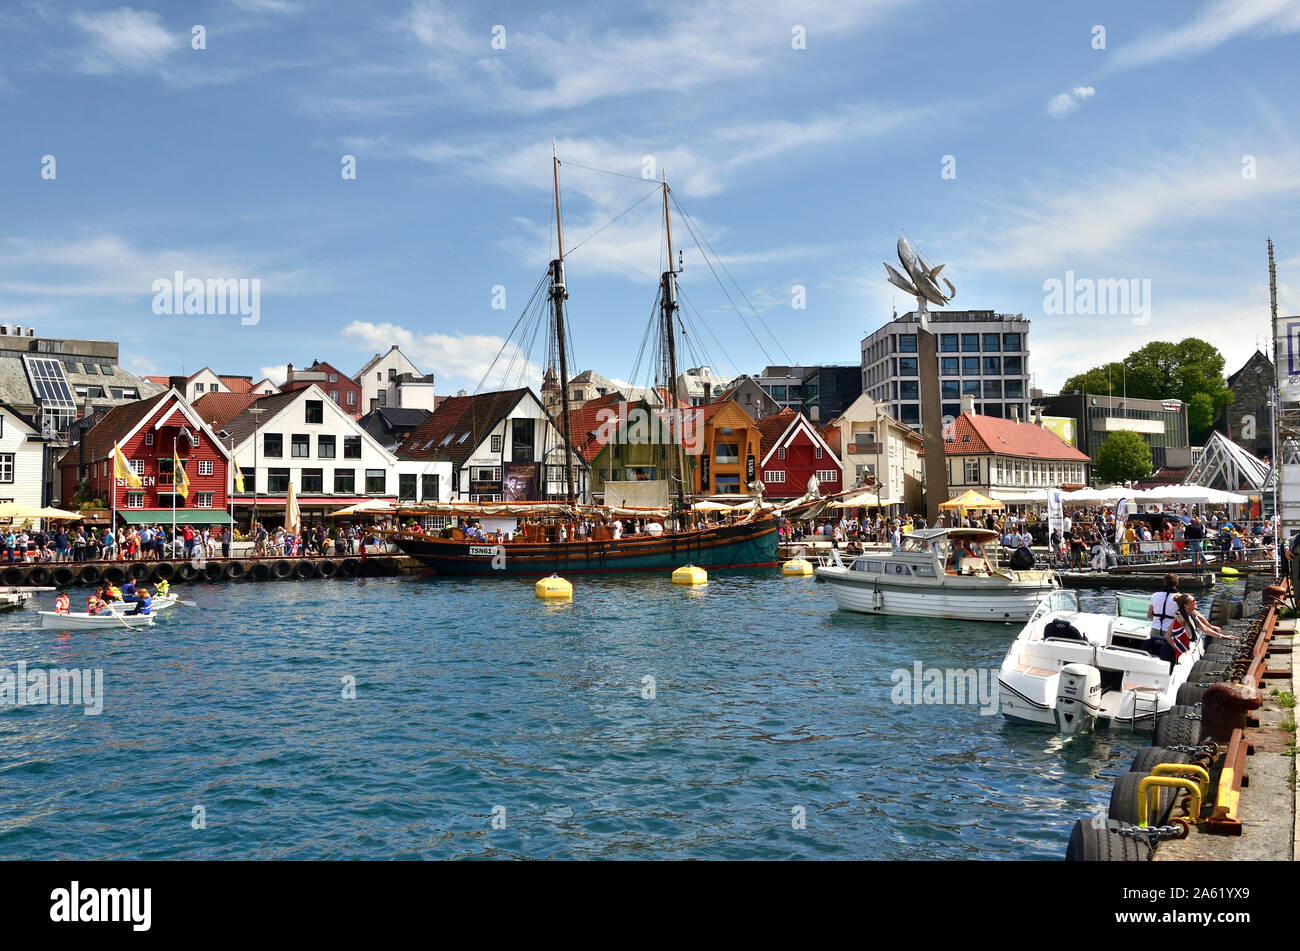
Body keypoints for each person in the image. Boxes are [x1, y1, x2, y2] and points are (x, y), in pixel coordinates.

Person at [1145, 574, 1183, 670]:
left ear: (1164, 582)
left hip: (1155, 630)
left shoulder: (1155, 595)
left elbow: (1149, 615)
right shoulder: (1180, 598)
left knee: (1153, 654)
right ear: (1177, 583)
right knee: (1168, 656)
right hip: (1170, 632)